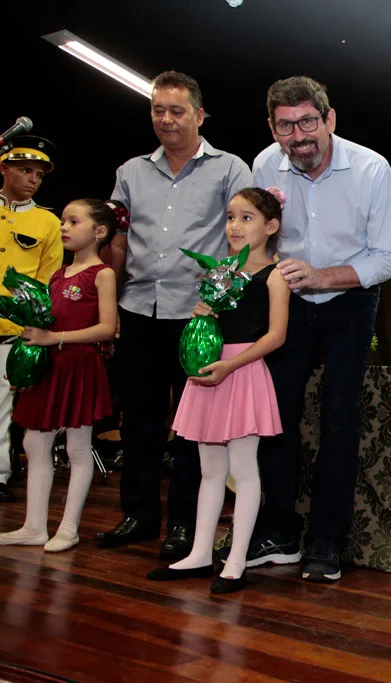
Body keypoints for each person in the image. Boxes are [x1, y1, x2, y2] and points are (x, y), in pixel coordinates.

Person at [245, 76, 391, 583]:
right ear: (273, 128)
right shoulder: (265, 165)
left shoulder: (371, 168)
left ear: (329, 119)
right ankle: (278, 533)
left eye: (308, 122)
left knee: (339, 416)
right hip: (287, 302)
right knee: (274, 416)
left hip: (350, 300)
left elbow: (388, 257)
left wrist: (321, 277)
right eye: (286, 126)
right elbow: (260, 240)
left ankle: (326, 542)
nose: (299, 136)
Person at [97, 71, 253, 561]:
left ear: (200, 116)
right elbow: (117, 242)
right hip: (139, 309)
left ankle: (186, 523)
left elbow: (245, 242)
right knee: (139, 419)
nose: (166, 119)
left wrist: (223, 302)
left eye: (177, 110)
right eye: (158, 110)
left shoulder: (230, 169)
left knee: (191, 427)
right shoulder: (130, 172)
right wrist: (111, 303)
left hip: (199, 316)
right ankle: (139, 515)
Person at [147, 188, 289, 594]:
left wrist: (230, 364)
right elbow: (211, 320)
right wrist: (202, 320)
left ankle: (237, 561)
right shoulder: (221, 270)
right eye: (230, 217)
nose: (235, 226)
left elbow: (276, 335)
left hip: (241, 372)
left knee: (243, 470)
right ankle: (199, 553)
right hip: (210, 370)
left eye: (246, 218)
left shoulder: (275, 275)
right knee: (209, 470)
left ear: (271, 226)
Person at [0, 199, 117, 551]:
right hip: (50, 367)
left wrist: (56, 338)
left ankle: (69, 527)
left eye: (73, 221)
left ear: (99, 232)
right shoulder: (55, 275)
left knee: (78, 448)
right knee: (35, 443)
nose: (63, 227)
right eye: (63, 221)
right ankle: (34, 526)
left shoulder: (102, 274)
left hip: (79, 365)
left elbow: (107, 328)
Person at [0, 136, 63, 503]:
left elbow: (49, 278)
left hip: (14, 329)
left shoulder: (47, 222)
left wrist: (38, 326)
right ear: (4, 168)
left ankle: (1, 474)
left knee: (3, 407)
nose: (33, 179)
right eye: (25, 170)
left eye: (39, 174)